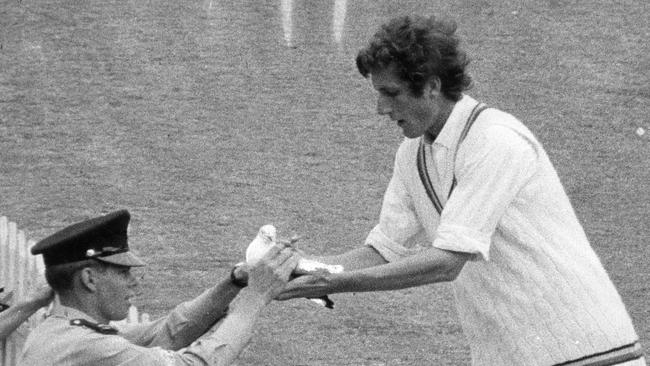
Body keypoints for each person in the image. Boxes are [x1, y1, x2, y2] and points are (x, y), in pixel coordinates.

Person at [278, 15, 645, 366]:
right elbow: (383, 251)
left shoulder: (495, 141)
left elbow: (447, 261)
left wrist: (335, 283)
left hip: (590, 352)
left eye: (391, 93)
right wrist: (300, 268)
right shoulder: (412, 154)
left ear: (433, 85)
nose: (381, 108)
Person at [19, 209, 299, 366]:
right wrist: (256, 297)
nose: (134, 281)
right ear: (89, 279)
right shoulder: (88, 346)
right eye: (123, 272)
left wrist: (236, 281)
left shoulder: (62, 330)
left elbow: (167, 333)